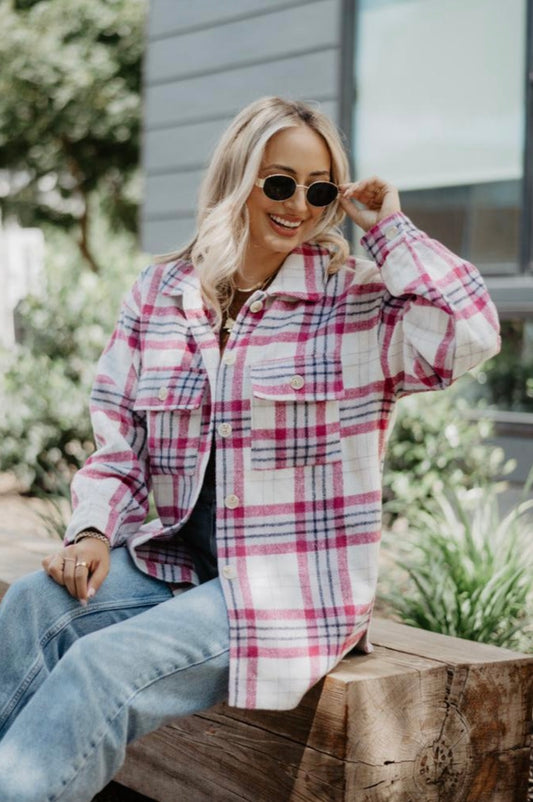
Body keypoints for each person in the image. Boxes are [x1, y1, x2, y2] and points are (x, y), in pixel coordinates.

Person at [0, 96, 500, 801]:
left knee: (100, 667)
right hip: (178, 564)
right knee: (32, 602)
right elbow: (121, 443)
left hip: (288, 588)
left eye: (318, 190)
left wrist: (389, 229)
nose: (298, 205)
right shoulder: (161, 294)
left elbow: (471, 333)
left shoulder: (355, 304)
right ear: (238, 177)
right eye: (280, 182)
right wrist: (91, 531)